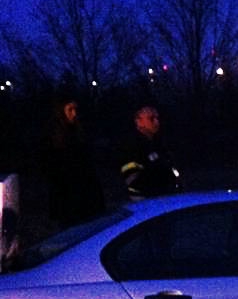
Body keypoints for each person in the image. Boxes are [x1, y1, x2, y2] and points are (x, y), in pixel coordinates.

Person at [43, 97, 105, 228]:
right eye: (70, 110)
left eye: (75, 109)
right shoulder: (53, 137)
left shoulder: (79, 132)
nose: (74, 114)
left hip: (85, 190)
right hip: (67, 194)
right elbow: (51, 168)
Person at [120, 105, 182, 199]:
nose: (157, 122)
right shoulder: (132, 146)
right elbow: (132, 179)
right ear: (139, 121)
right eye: (151, 119)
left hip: (166, 196)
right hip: (145, 200)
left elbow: (170, 168)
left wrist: (176, 183)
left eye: (157, 118)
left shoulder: (158, 143)